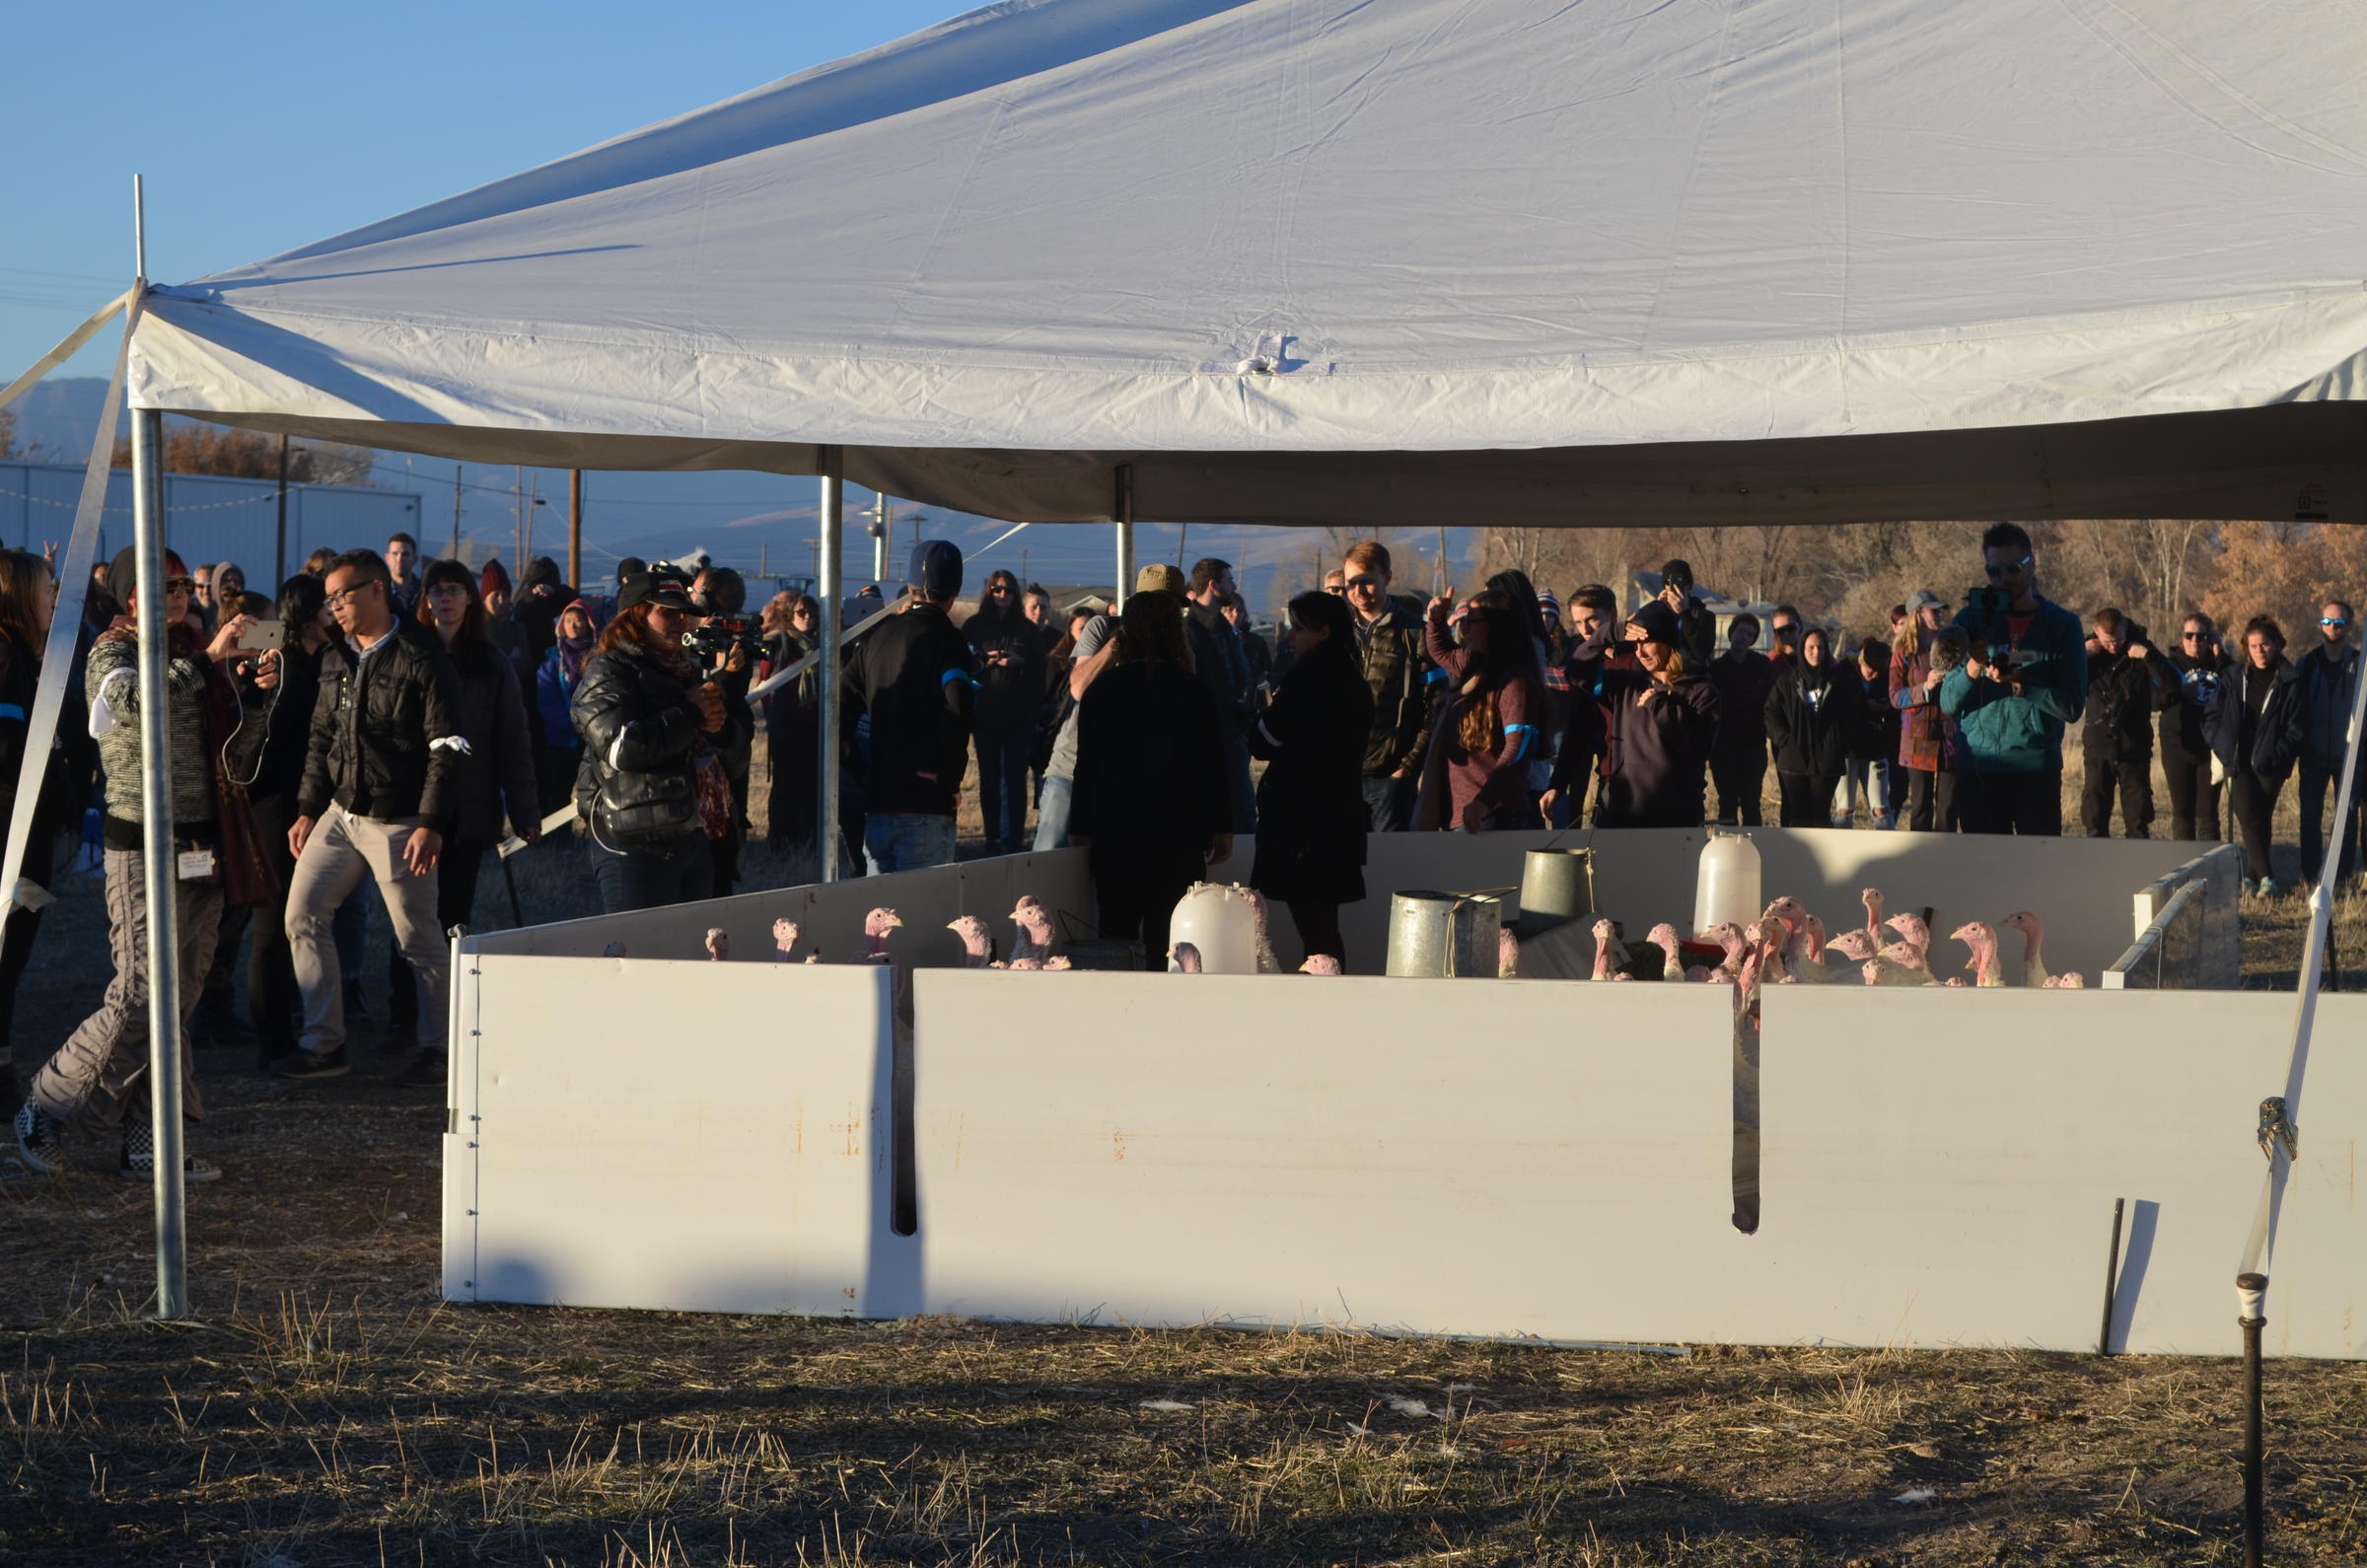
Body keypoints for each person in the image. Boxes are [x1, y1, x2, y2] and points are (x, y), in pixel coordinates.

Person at [15, 548, 278, 1179]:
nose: (181, 594)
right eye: (167, 586)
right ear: (134, 597)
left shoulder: (197, 653)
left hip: (203, 843)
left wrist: (254, 697)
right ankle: (45, 1107)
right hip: (141, 844)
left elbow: (236, 754)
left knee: (179, 996)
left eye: (186, 584)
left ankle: (148, 1140)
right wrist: (208, 660)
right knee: (139, 993)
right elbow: (130, 704)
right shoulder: (114, 650)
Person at [274, 549, 465, 1081]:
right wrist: (309, 808)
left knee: (419, 940)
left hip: (401, 819)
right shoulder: (336, 656)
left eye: (343, 594)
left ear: (377, 589)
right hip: (339, 812)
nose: (334, 606)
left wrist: (429, 821)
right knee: (302, 914)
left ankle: (442, 1050)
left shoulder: (421, 656)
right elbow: (321, 737)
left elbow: (448, 746)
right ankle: (324, 1045)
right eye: (328, 598)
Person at [384, 560, 541, 1081]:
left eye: (455, 590)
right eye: (436, 590)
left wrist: (524, 808)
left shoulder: (490, 663)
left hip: (469, 807)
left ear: (470, 599)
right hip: (411, 807)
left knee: (452, 917)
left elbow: (512, 740)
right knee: (405, 917)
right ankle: (403, 1023)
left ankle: (446, 1027)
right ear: (424, 598)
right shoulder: (406, 653)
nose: (445, 599)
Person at [1070, 590, 1231, 966]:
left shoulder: (1102, 692)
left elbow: (1086, 765)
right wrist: (1222, 825)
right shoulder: (1193, 691)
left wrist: (1080, 825)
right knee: (1172, 934)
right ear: (1175, 633)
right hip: (1178, 832)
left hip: (1115, 829)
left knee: (1116, 930)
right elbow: (1212, 764)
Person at [569, 572, 743, 910]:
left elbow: (734, 759)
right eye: (667, 612)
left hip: (692, 834)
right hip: (633, 844)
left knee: (689, 955)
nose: (681, 622)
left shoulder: (686, 672)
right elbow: (622, 749)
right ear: (633, 618)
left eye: (684, 614)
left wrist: (718, 728)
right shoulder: (608, 671)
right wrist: (691, 715)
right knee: (638, 955)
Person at [0, 552, 93, 1106]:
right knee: (9, 954)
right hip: (14, 841)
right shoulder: (8, 662)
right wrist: (61, 793)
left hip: (29, 834)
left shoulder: (25, 659)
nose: (54, 597)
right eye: (47, 588)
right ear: (19, 596)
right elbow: (12, 755)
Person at [1249, 590, 1373, 966]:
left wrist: (1262, 713)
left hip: (1302, 825)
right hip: (1336, 820)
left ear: (1324, 632)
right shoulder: (1354, 680)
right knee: (1323, 925)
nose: (1291, 636)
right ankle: (1329, 995)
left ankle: (1326, 1003)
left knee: (1316, 929)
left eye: (1299, 628)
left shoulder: (1308, 679)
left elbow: (1263, 741)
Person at [839, 541, 976, 875]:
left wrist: (858, 766)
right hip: (924, 803)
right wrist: (948, 783)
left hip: (878, 800)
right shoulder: (949, 641)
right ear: (955, 591)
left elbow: (839, 703)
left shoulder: (876, 637)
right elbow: (957, 709)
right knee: (922, 915)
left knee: (880, 920)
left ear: (911, 587)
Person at [1941, 524, 2087, 836]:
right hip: (1978, 767)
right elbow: (1947, 702)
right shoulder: (1968, 621)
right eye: (1994, 572)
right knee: (1984, 874)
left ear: (2032, 563)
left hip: (2035, 770)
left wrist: (2025, 687)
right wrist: (1972, 669)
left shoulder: (2063, 625)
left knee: (2036, 875)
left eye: (2013, 568)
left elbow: (2073, 706)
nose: (2003, 579)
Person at [242, 574, 331, 1070]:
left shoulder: (333, 655)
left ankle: (304, 1020)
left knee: (304, 917)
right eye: (327, 605)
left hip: (313, 800)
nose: (335, 613)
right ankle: (270, 1038)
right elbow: (233, 649)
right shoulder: (277, 645)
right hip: (273, 800)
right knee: (270, 926)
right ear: (305, 611)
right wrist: (257, 660)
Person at [1559, 600, 1719, 827]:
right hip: (1622, 815)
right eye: (1635, 644)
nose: (1640, 651)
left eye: (1647, 642)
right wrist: (1607, 633)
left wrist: (1662, 708)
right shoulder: (1624, 685)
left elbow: (1696, 749)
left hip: (1677, 819)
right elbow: (1576, 673)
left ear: (1667, 643)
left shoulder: (1701, 692)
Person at [1415, 587, 1543, 831]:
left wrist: (1484, 801)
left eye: (1472, 621)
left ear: (1497, 626)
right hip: (1465, 816)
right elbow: (1441, 651)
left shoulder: (1514, 683)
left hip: (1494, 817)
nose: (1464, 628)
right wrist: (1436, 619)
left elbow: (1518, 749)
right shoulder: (1475, 665)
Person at [2206, 615, 2307, 895]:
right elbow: (2212, 715)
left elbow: (2297, 727)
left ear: (2277, 644)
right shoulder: (2234, 675)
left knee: (2261, 818)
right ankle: (2268, 877)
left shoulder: (2290, 680)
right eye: (2253, 646)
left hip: (2270, 762)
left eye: (2265, 644)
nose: (2260, 651)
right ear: (2245, 648)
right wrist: (2221, 745)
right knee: (2248, 816)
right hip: (2237, 760)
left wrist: (2279, 754)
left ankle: (2252, 876)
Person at [1339, 541, 1435, 831]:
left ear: (1387, 578)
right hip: (1341, 774)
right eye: (1350, 583)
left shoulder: (1414, 631)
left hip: (1391, 779)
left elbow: (1435, 704)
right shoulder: (1338, 633)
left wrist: (1408, 766)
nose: (1358, 591)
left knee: (1391, 869)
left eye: (1367, 581)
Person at [963, 568, 1043, 855]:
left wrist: (1019, 661)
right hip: (984, 713)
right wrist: (986, 662)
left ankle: (1015, 837)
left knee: (1015, 778)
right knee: (989, 777)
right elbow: (964, 663)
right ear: (988, 592)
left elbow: (1040, 670)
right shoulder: (974, 626)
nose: (1002, 595)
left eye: (1008, 590)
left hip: (1017, 715)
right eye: (997, 589)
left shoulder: (1026, 629)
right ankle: (992, 837)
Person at [688, 566, 758, 895]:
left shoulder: (731, 642)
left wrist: (724, 673)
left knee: (717, 869)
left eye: (695, 592)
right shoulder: (689, 641)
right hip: (691, 799)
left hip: (723, 766)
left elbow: (723, 716)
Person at [2078, 608, 2174, 839]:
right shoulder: (2086, 653)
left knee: (2138, 818)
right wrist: (2080, 655)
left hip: (2134, 747)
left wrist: (2147, 656)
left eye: (2118, 639)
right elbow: (2062, 679)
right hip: (2098, 746)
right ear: (2096, 633)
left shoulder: (2141, 648)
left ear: (2125, 630)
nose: (2113, 646)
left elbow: (2171, 686)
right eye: (2108, 641)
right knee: (2095, 816)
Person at [1034, 603, 1117, 852]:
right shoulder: (1102, 628)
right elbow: (1079, 688)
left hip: (1118, 775)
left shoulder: (1173, 642)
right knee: (1049, 854)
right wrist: (1116, 645)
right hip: (1070, 766)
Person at [1184, 557, 1258, 832]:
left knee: (1242, 810)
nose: (1234, 585)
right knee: (1237, 810)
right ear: (1214, 586)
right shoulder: (1191, 631)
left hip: (1232, 731)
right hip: (1213, 735)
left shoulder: (1224, 628)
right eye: (1229, 580)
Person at [2295, 600, 2363, 889]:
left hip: (2350, 757)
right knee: (2310, 817)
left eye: (2338, 622)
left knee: (2346, 820)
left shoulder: (2362, 664)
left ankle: (2341, 876)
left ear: (2349, 626)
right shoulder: (2307, 664)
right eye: (2327, 622)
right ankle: (2311, 875)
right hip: (2313, 755)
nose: (2332, 627)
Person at [1764, 626, 1859, 827]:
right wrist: (1785, 741)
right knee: (1798, 813)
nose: (1816, 652)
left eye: (1821, 648)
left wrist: (1840, 742)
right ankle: (1797, 858)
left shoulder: (1838, 682)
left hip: (1828, 759)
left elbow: (1852, 715)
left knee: (1821, 815)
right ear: (1802, 650)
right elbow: (1771, 714)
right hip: (1794, 759)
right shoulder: (1786, 682)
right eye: (1811, 648)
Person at [1548, 584, 1620, 824]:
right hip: (1609, 772)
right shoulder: (1583, 663)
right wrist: (1557, 784)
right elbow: (1577, 729)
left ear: (1613, 614)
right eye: (1578, 623)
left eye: (1592, 620)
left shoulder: (1639, 656)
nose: (1586, 630)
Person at [1889, 592, 1956, 831]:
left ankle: (1946, 863)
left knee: (1948, 808)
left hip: (1950, 739)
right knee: (1920, 808)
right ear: (1917, 613)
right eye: (1933, 610)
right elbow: (1895, 696)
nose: (1939, 614)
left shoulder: (1950, 645)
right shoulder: (1903, 651)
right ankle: (1921, 862)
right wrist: (1924, 688)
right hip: (1916, 741)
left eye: (1940, 610)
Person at [760, 593, 823, 849]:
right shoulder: (778, 643)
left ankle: (807, 837)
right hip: (785, 726)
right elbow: (764, 685)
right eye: (801, 613)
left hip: (815, 728)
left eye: (811, 613)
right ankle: (780, 838)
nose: (807, 618)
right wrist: (775, 717)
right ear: (790, 616)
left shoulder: (822, 646)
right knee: (785, 785)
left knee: (811, 785)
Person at [1706, 613, 1777, 825]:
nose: (1744, 637)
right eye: (1740, 631)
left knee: (1751, 803)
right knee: (1726, 803)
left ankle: (1754, 850)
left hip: (1753, 746)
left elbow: (1769, 700)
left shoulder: (1761, 665)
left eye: (1750, 634)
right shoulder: (1717, 668)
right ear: (1731, 633)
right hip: (1724, 747)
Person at [2161, 611, 2226, 842]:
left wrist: (2221, 657)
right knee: (2182, 811)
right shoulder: (2170, 665)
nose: (2195, 641)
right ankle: (2181, 865)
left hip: (2210, 748)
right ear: (2182, 638)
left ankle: (2209, 863)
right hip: (2177, 745)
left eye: (2201, 636)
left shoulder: (2220, 664)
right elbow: (2156, 698)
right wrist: (2180, 690)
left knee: (2207, 811)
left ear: (2211, 639)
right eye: (2189, 635)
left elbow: (2236, 685)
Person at [534, 599, 597, 820]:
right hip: (562, 738)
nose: (573, 625)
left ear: (589, 623)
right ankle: (557, 837)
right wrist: (576, 725)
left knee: (595, 790)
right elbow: (547, 703)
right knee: (558, 790)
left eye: (578, 620)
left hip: (594, 737)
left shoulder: (600, 658)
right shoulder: (552, 661)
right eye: (567, 620)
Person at [1842, 636, 1899, 828]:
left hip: (1876, 747)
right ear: (1861, 661)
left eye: (1878, 672)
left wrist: (1887, 707)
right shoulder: (1845, 672)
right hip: (1847, 747)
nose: (1873, 675)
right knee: (1844, 808)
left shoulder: (1889, 676)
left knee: (1881, 808)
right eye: (1870, 670)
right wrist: (1863, 705)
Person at [1656, 559, 1717, 666]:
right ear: (1664, 587)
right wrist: (1657, 609)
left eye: (1680, 582)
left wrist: (1684, 614)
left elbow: (1701, 653)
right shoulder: (1658, 613)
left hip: (1692, 676)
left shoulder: (1705, 616)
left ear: (1688, 586)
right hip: (1662, 674)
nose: (1674, 587)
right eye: (1669, 583)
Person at [384, 532, 423, 619]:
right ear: (387, 558)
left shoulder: (425, 592)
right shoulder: (379, 593)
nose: (399, 559)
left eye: (405, 554)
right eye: (395, 554)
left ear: (415, 559)